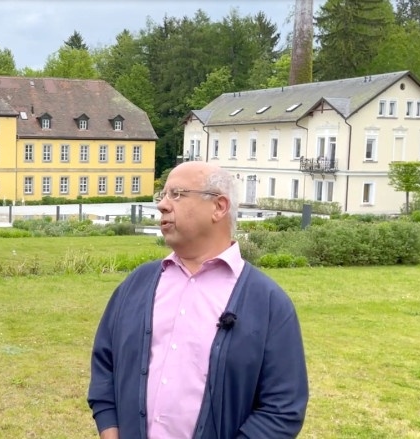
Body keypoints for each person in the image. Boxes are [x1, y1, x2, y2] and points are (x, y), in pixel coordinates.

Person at [88, 161, 308, 439]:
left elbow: (283, 408)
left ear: (219, 207)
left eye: (177, 194)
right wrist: (109, 428)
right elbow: (104, 363)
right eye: (163, 195)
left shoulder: (268, 303)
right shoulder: (137, 285)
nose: (163, 205)